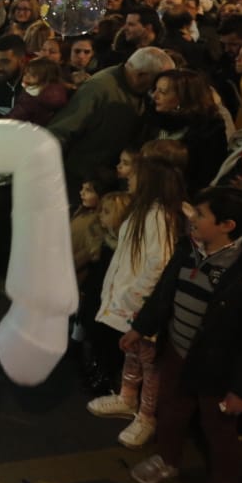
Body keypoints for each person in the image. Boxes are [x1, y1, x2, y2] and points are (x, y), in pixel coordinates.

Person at [129, 187, 242, 483]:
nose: (190, 218)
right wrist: (141, 327)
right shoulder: (188, 249)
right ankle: (167, 459)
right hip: (178, 351)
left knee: (219, 429)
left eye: (200, 214)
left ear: (227, 224)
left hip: (218, 366)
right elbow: (164, 293)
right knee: (171, 408)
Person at [87, 152, 188, 449]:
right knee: (133, 353)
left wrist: (136, 298)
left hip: (142, 305)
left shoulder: (160, 215)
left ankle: (146, 416)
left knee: (149, 361)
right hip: (132, 302)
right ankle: (127, 397)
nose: (128, 177)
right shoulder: (146, 210)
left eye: (134, 174)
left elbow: (159, 263)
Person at [47, 46, 171, 199]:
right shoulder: (99, 88)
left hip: (106, 182)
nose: (156, 90)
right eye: (156, 82)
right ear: (141, 75)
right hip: (78, 182)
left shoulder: (139, 93)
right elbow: (62, 130)